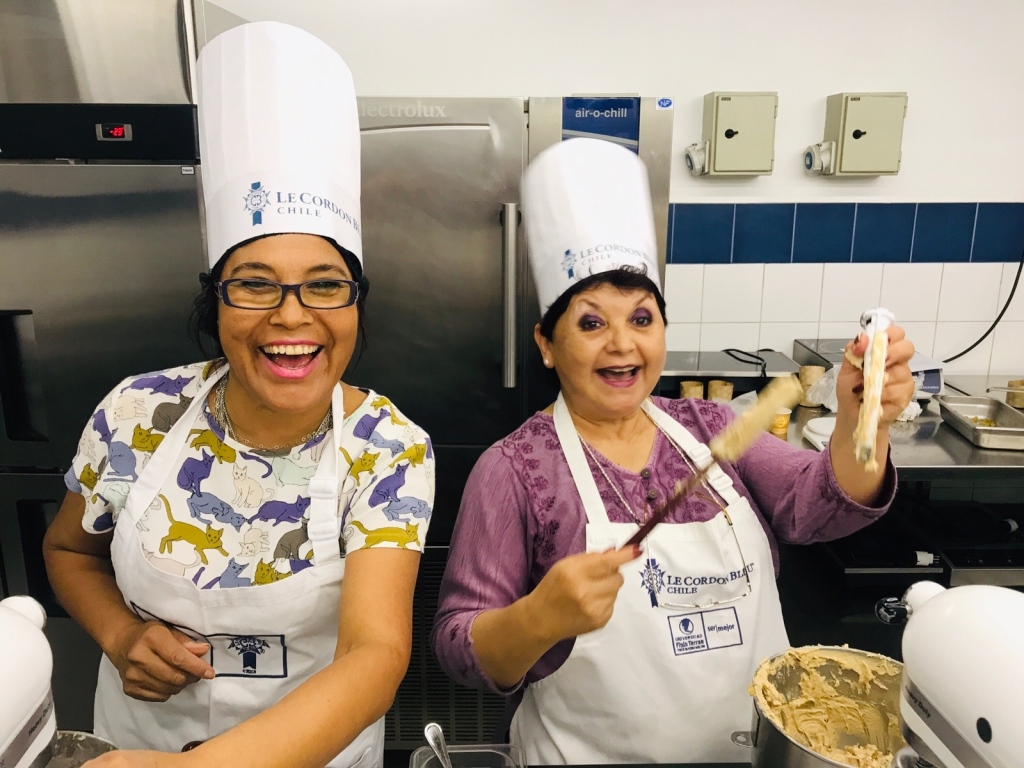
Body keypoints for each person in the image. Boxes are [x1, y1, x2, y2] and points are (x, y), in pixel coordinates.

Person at [431, 138, 915, 764]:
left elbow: (818, 506)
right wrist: (536, 619)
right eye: (591, 323)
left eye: (641, 319)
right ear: (546, 344)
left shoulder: (711, 426)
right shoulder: (514, 470)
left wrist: (862, 420)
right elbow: (458, 648)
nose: (622, 344)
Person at [42, 22, 433, 768]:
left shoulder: (387, 449)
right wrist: (122, 637)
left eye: (325, 285)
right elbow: (68, 550)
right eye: (255, 284)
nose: (291, 316)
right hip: (141, 743)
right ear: (215, 302)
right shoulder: (135, 413)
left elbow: (375, 654)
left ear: (355, 303)